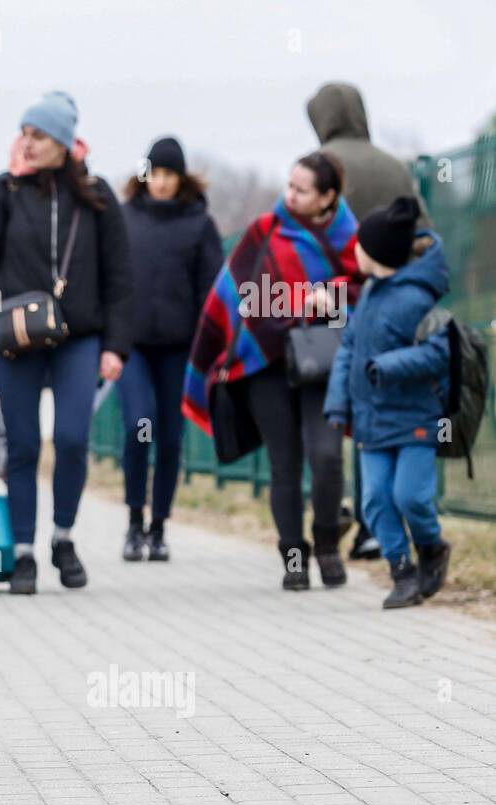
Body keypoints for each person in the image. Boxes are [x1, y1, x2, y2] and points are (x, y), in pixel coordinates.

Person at [0, 90, 134, 595]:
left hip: (79, 337)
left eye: (37, 135)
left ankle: (63, 537)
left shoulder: (96, 196)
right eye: (24, 134)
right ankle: (26, 551)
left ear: (62, 142)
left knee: (74, 438)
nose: (26, 143)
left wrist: (116, 345)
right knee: (25, 445)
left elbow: (120, 276)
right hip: (15, 339)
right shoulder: (6, 191)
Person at [183, 151, 360, 590]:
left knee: (326, 456)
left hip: (322, 360)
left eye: (301, 190)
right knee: (285, 464)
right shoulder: (265, 230)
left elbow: (366, 288)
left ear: (327, 198)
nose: (289, 195)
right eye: (289, 185)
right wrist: (213, 357)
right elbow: (230, 293)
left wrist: (329, 295)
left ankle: (327, 545)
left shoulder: (350, 237)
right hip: (265, 365)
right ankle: (293, 558)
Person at [307, 81, 432, 562]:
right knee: (393, 411)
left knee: (342, 416)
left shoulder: (318, 167)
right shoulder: (392, 165)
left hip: (336, 306)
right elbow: (423, 233)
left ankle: (357, 519)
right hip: (397, 304)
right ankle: (385, 522)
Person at [324, 197, 451, 609]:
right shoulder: (370, 296)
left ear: (375, 253)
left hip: (415, 419)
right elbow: (347, 350)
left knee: (410, 496)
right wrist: (337, 403)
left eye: (359, 245)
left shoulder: (418, 298)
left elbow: (439, 351)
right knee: (375, 500)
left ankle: (431, 549)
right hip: (371, 421)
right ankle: (402, 572)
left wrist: (388, 365)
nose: (354, 251)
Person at [118, 137, 223, 561]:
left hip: (180, 349)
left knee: (171, 437)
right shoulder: (124, 219)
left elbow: (211, 291)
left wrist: (210, 346)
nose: (160, 182)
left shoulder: (199, 224)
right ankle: (133, 522)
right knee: (137, 426)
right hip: (133, 347)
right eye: (155, 174)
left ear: (181, 179)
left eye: (169, 175)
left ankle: (159, 527)